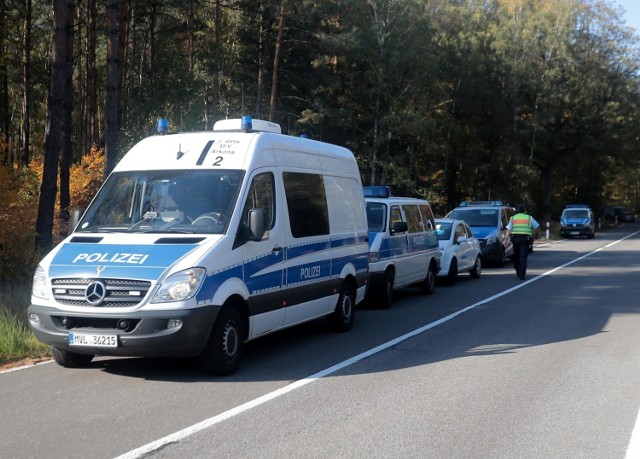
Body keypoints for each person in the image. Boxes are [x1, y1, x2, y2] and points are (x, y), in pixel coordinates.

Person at [504, 203, 539, 280]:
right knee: (523, 257)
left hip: (515, 239)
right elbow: (536, 227)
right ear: (525, 210)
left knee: (516, 256)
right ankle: (522, 275)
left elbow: (508, 230)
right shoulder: (529, 218)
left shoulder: (513, 218)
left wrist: (505, 240)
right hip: (525, 239)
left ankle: (518, 271)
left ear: (517, 210)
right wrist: (534, 235)